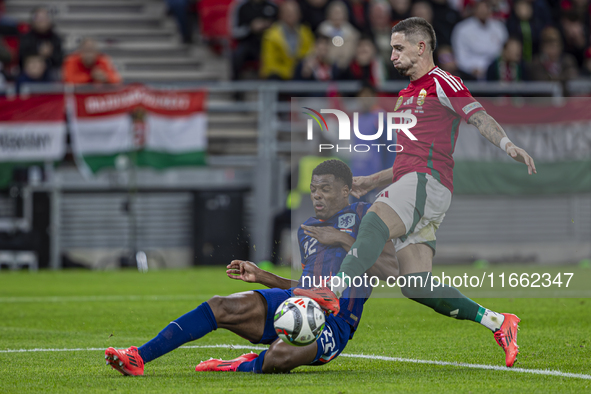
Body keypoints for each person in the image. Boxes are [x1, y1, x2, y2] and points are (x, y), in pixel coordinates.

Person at [295, 17, 536, 369]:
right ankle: (499, 322)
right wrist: (371, 180)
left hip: (428, 181)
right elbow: (407, 160)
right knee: (415, 285)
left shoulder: (442, 81)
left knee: (374, 219)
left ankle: (333, 289)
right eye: (391, 48)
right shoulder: (405, 95)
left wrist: (507, 144)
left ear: (421, 47)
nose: (392, 55)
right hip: (416, 183)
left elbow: (478, 115)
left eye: (398, 47)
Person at [104, 160, 397, 376]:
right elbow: (307, 283)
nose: (316, 195)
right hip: (295, 303)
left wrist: (343, 239)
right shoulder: (307, 231)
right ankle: (138, 357)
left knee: (279, 357)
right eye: (313, 189)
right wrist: (261, 275)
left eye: (326, 189)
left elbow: (389, 270)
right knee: (220, 305)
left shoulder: (366, 216)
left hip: (335, 321)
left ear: (346, 190)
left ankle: (240, 365)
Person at [451, 0, 508, 79]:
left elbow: (504, 51)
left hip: (495, 71)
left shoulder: (499, 27)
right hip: (470, 72)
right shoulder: (462, 28)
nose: (484, 11)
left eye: (486, 8)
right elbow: (460, 55)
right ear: (475, 9)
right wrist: (471, 68)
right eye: (481, 8)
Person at [260, 0, 314, 80]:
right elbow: (269, 64)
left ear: (299, 14)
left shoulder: (306, 33)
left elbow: (310, 54)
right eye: (287, 12)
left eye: (293, 12)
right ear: (281, 15)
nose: (290, 15)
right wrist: (290, 72)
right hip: (280, 76)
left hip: (300, 75)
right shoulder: (270, 35)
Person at [230, 0, 278, 80]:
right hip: (247, 42)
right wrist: (250, 28)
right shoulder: (241, 6)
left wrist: (268, 26)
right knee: (237, 56)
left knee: (274, 54)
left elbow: (281, 28)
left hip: (269, 42)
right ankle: (236, 88)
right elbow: (234, 32)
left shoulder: (273, 6)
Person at [18, 7, 63, 80]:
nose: (42, 21)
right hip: (29, 73)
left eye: (44, 18)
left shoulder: (55, 38)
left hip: (51, 72)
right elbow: (21, 58)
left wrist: (50, 54)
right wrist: (39, 54)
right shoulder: (26, 37)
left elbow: (60, 60)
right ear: (33, 21)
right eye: (39, 19)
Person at [317, 1, 360, 68]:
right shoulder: (322, 31)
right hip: (325, 67)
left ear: (345, 15)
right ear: (328, 15)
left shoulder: (352, 34)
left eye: (339, 13)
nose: (337, 16)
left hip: (346, 68)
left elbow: (351, 53)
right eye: (334, 12)